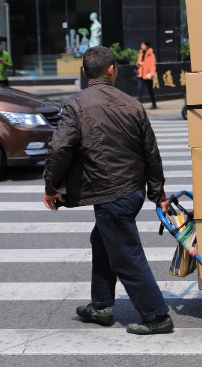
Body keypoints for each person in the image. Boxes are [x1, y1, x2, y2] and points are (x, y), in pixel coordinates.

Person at [43, 46, 173, 336]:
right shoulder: (132, 103)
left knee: (125, 254)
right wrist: (158, 194)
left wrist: (52, 186)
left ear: (84, 72)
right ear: (112, 69)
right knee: (102, 240)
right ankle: (101, 306)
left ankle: (157, 316)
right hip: (131, 191)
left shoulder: (76, 105)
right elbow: (151, 153)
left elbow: (59, 148)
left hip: (110, 194)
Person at [136, 41, 157, 109]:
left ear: (146, 46)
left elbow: (153, 65)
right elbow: (137, 62)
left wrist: (152, 74)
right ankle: (138, 106)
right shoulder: (141, 53)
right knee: (139, 90)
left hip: (148, 76)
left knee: (150, 90)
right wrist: (139, 63)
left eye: (143, 45)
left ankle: (154, 104)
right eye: (141, 45)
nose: (141, 46)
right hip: (141, 74)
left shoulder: (151, 54)